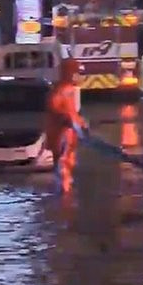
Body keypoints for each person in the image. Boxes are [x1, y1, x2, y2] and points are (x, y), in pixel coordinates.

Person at [45, 58, 88, 194]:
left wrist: (81, 122)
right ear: (72, 73)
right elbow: (69, 114)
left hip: (58, 135)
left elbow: (62, 111)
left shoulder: (57, 89)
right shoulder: (67, 90)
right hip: (64, 136)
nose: (80, 76)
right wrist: (81, 126)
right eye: (78, 73)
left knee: (62, 165)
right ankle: (65, 196)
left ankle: (64, 194)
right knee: (65, 167)